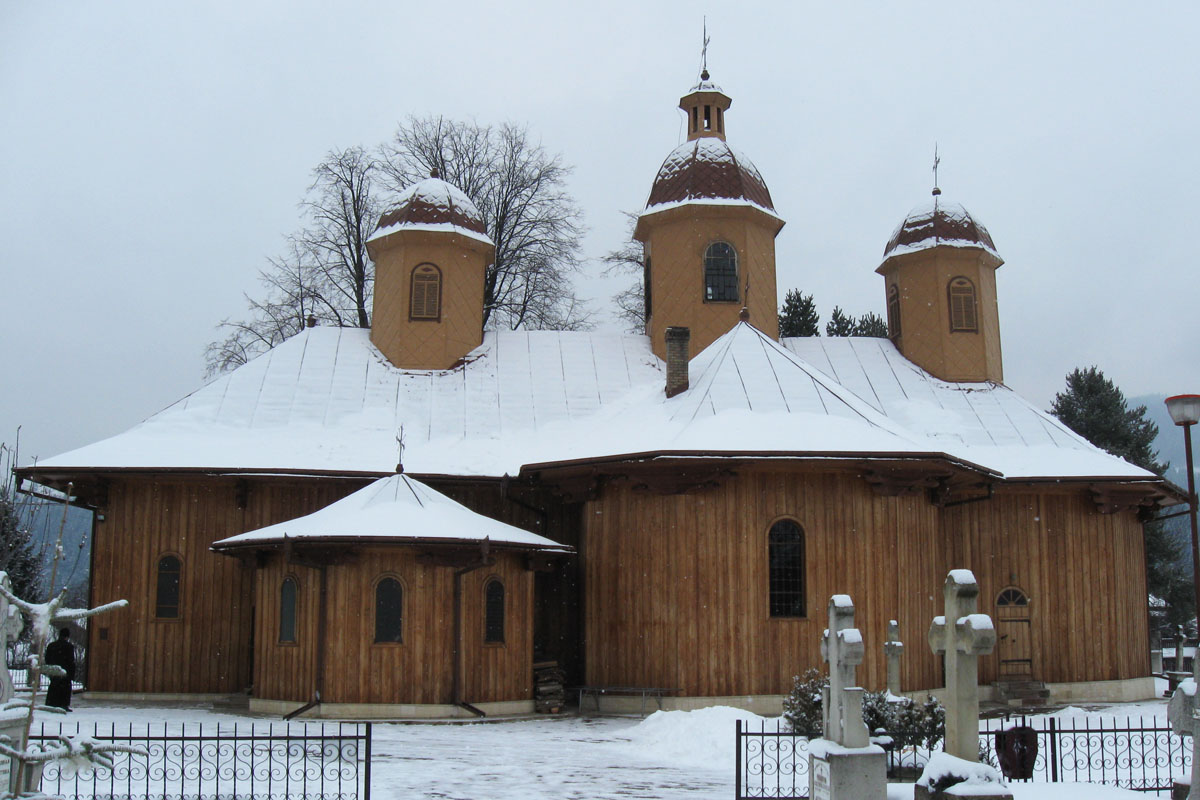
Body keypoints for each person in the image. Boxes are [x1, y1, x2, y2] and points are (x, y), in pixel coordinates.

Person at [44, 628, 75, 711]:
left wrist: (50, 669)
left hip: (54, 671)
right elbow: (71, 661)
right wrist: (71, 673)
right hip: (64, 672)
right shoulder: (69, 647)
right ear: (67, 636)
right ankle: (63, 704)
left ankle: (51, 703)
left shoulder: (51, 645)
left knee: (53, 687)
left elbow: (47, 658)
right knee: (64, 689)